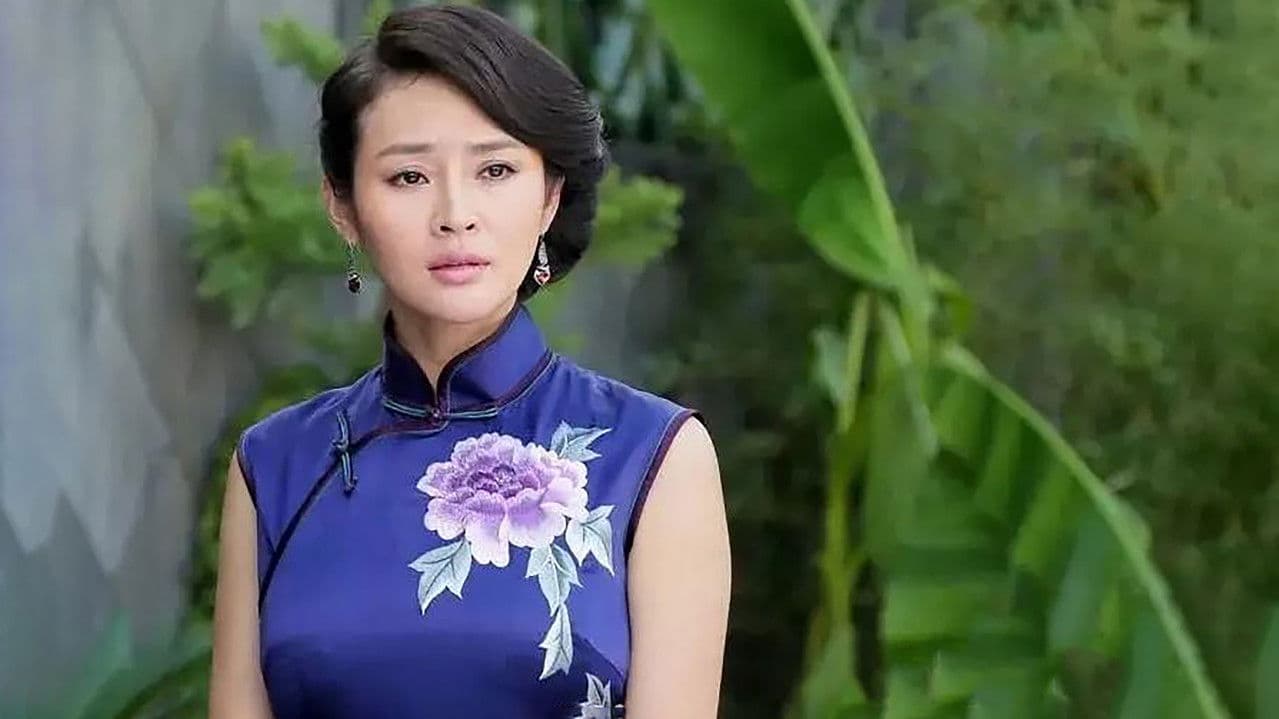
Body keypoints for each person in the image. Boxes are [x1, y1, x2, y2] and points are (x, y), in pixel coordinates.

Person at [207, 5, 731, 718]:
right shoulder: (276, 465)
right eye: (408, 177)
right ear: (343, 206)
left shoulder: (652, 455)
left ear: (549, 198)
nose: (456, 213)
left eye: (495, 169)